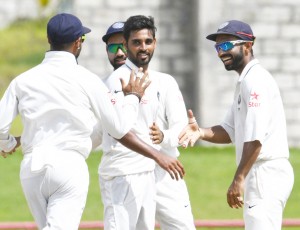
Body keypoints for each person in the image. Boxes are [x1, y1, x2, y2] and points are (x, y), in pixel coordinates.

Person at [0, 13, 184, 230]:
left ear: (49, 40)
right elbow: (118, 128)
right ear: (79, 42)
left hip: (31, 169)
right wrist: (133, 98)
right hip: (68, 166)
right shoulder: (87, 79)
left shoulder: (23, 80)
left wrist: (9, 143)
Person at [179, 20, 294, 230]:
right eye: (217, 47)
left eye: (226, 45)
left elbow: (255, 138)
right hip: (261, 171)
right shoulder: (245, 81)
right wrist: (201, 132)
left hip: (264, 172)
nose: (220, 52)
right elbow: (230, 130)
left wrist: (238, 179)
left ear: (248, 45)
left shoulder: (255, 81)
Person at [99, 16, 195, 230]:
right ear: (127, 45)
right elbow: (113, 130)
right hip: (130, 171)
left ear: (155, 42)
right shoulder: (116, 80)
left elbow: (180, 126)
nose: (143, 48)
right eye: (136, 42)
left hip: (166, 170)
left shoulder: (166, 81)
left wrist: (165, 137)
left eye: (148, 42)